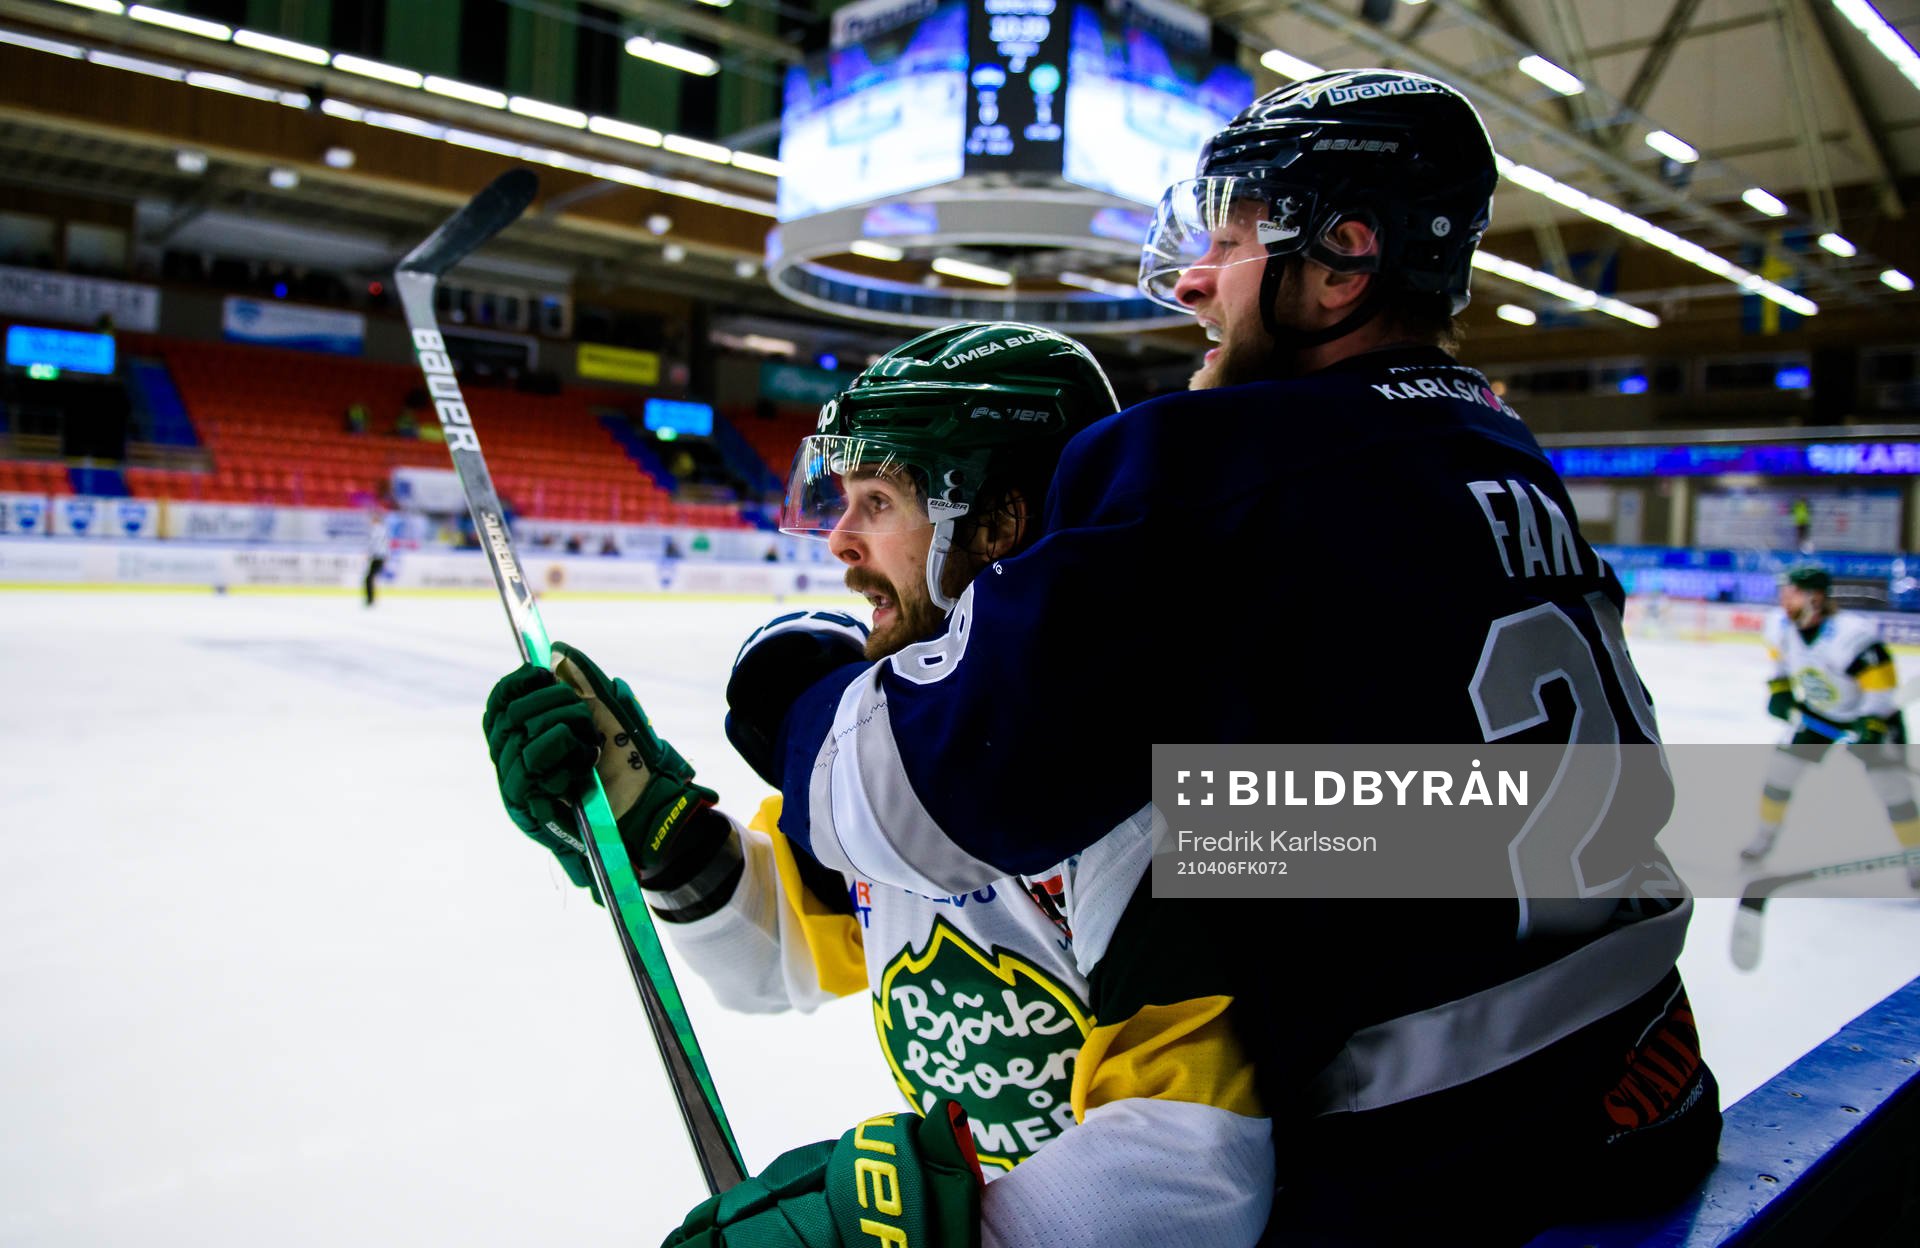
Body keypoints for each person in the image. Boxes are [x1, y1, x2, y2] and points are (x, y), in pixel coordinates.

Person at [758, 69, 1721, 1244]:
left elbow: (948, 791)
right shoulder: (1501, 451)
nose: (1197, 281)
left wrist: (785, 694)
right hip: (1641, 1101)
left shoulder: (1216, 464)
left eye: (1230, 236)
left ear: (1341, 259)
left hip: (1436, 1173)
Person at [482, 327, 1269, 1247]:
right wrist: (663, 838)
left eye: (878, 502)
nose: (840, 543)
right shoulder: (892, 756)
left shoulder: (1149, 777)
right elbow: (785, 953)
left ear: (999, 521)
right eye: (842, 501)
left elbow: (1198, 1161)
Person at [1743, 564, 1919, 884]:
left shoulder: (1851, 635)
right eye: (1784, 592)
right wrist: (1780, 691)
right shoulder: (1779, 626)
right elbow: (1780, 664)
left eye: (1792, 593)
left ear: (1816, 597)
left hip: (1871, 718)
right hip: (1818, 715)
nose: (1784, 599)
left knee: (1894, 791)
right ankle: (1764, 837)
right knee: (1780, 774)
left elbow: (1881, 689)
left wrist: (1871, 725)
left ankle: (1916, 858)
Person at [363, 504, 390, 607]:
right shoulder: (383, 529)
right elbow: (385, 543)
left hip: (377, 555)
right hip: (381, 555)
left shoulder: (375, 529)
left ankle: (370, 599)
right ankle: (371, 599)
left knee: (369, 578)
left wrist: (369, 553)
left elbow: (374, 543)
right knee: (371, 577)